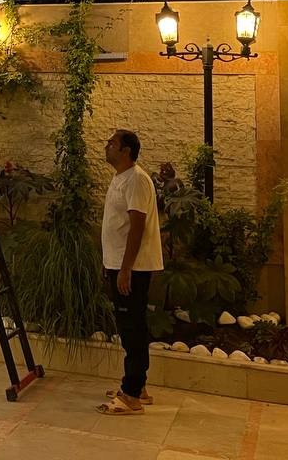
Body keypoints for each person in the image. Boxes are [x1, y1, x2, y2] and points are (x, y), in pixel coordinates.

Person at [97, 129, 163, 416]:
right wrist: (110, 263)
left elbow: (137, 227)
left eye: (111, 143)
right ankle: (138, 387)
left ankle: (132, 394)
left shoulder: (137, 179)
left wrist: (125, 269)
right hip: (119, 265)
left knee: (132, 329)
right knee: (129, 327)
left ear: (126, 151)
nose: (106, 146)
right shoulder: (121, 178)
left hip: (132, 268)